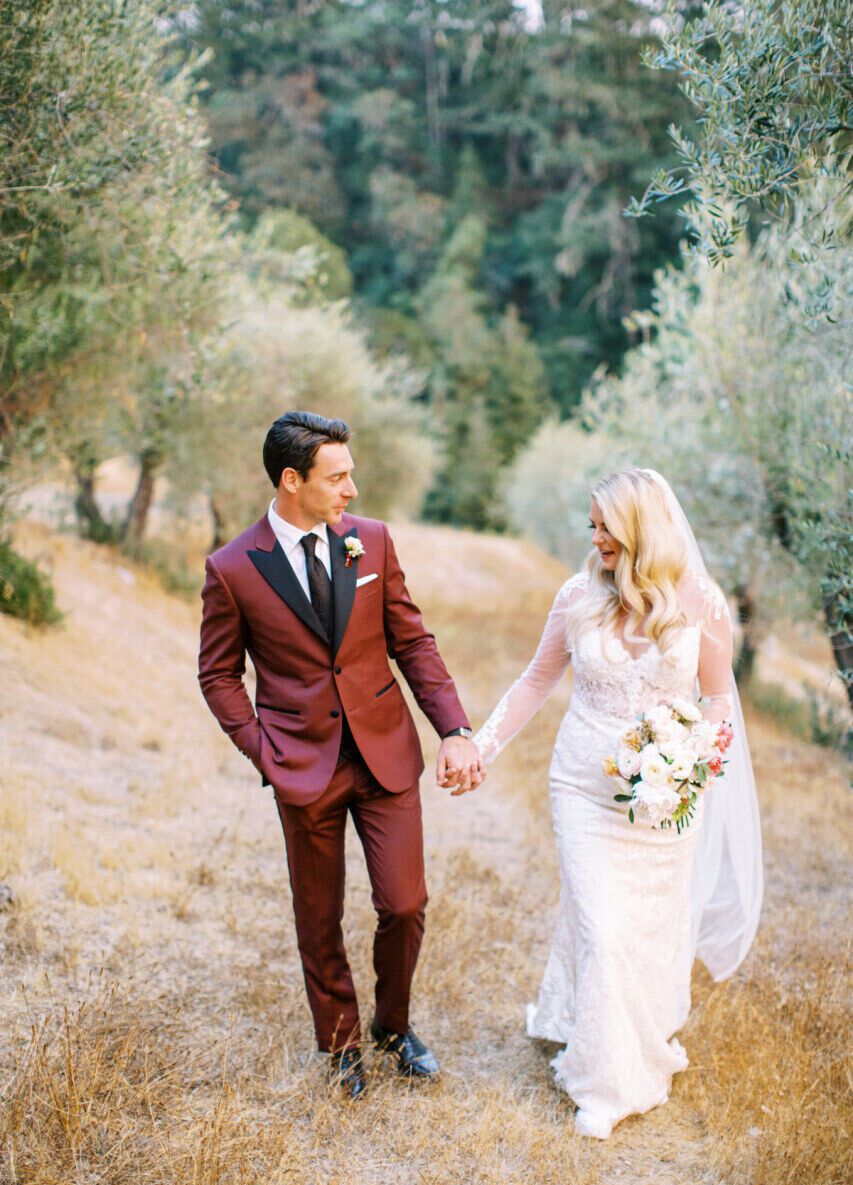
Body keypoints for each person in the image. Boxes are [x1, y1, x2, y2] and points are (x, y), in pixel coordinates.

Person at [198, 410, 484, 1100]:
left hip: (384, 751)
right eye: (338, 476)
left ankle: (393, 1026)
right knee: (317, 917)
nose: (352, 489)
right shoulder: (233, 568)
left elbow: (411, 640)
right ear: (292, 481)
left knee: (404, 900)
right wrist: (266, 752)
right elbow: (217, 674)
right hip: (302, 764)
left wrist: (452, 727)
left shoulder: (372, 543)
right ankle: (340, 1045)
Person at [470, 468, 762, 1138]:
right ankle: (602, 1085)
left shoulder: (701, 602)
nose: (595, 536)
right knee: (602, 927)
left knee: (645, 928)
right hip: (581, 784)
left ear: (640, 528)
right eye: (592, 524)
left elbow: (717, 701)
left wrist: (690, 765)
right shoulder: (577, 595)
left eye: (606, 525)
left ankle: (632, 1038)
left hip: (661, 796)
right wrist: (481, 746)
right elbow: (536, 679)